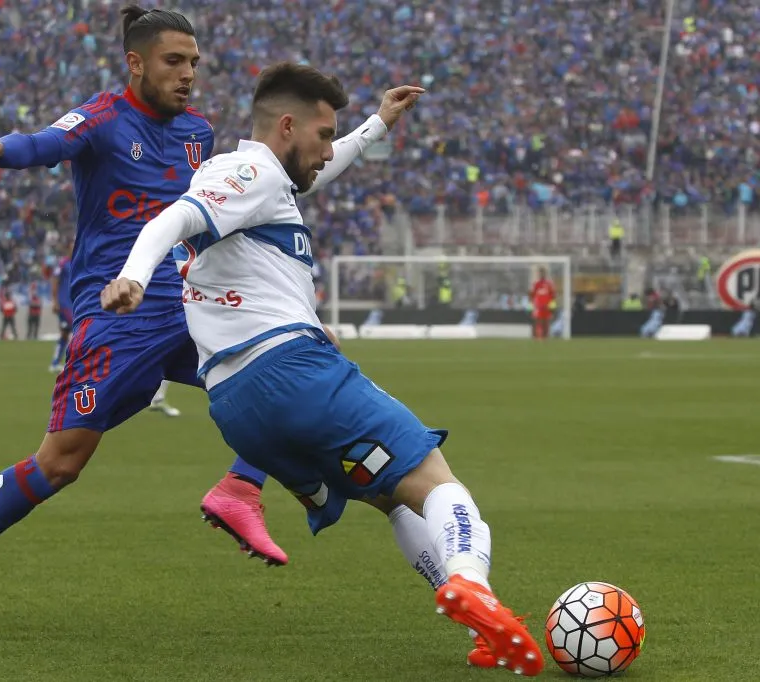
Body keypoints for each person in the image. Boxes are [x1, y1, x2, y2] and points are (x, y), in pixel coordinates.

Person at [100, 62, 543, 676]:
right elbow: (171, 218)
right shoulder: (248, 172)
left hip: (239, 408)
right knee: (437, 481)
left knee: (392, 499)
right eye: (323, 134)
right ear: (287, 126)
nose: (328, 150)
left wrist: (376, 126)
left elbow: (310, 173)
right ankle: (472, 583)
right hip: (292, 373)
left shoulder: (263, 185)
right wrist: (133, 275)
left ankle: (481, 625)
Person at [0, 5, 292, 630]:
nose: (188, 73)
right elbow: (44, 143)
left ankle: (240, 489)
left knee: (283, 377)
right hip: (116, 314)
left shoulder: (199, 132)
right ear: (135, 63)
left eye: (194, 62)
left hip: (187, 306)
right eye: (174, 61)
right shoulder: (103, 118)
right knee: (60, 464)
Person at [49, 241, 73, 373]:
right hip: (64, 304)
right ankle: (71, 363)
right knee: (75, 331)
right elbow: (54, 280)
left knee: (65, 333)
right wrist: (55, 301)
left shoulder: (78, 262)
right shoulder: (63, 263)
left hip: (73, 304)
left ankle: (55, 362)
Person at [529, 267, 556, 340]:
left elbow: (552, 296)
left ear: (545, 274)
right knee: (536, 321)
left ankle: (545, 337)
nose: (541, 274)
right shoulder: (536, 284)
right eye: (540, 273)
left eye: (543, 273)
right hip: (538, 307)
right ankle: (535, 337)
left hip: (546, 307)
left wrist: (552, 308)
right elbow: (532, 296)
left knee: (546, 322)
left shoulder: (549, 284)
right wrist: (531, 307)